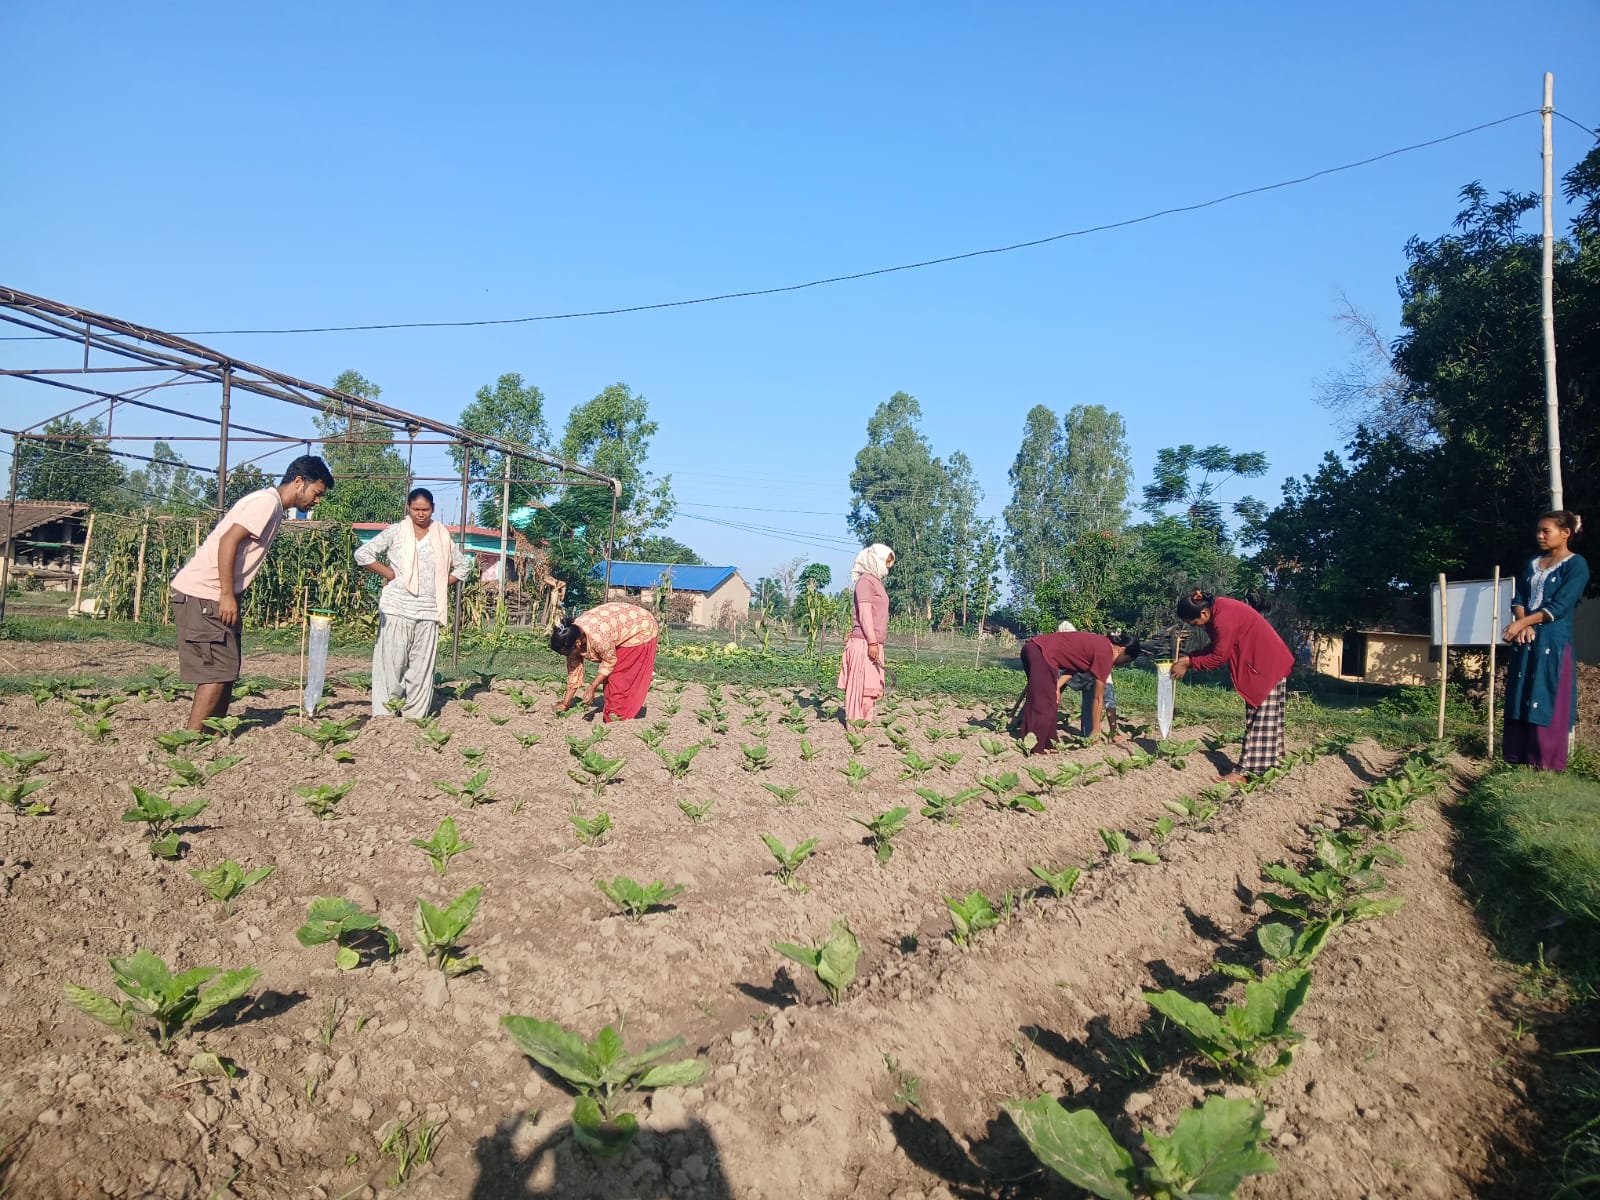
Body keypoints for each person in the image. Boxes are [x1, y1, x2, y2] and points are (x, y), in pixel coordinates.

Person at [170, 455, 334, 731]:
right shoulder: (266, 503)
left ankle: (212, 733)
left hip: (213, 594)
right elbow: (228, 541)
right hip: (205, 594)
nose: (316, 501)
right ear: (298, 482)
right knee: (216, 673)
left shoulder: (273, 506)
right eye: (316, 493)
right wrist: (226, 595)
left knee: (227, 670)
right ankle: (192, 740)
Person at [353, 488, 470, 718]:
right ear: (408, 507)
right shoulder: (396, 532)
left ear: (433, 509)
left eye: (425, 510)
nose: (420, 514)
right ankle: (385, 715)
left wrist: (441, 583)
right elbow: (363, 554)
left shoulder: (442, 535)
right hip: (396, 608)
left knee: (421, 668)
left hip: (428, 611)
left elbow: (463, 566)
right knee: (391, 665)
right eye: (416, 509)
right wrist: (390, 574)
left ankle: (414, 717)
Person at [1170, 589, 1295, 782]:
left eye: (1193, 623)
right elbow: (1218, 647)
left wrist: (1189, 662)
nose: (1195, 627)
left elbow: (1219, 656)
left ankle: (1243, 773)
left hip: (1265, 666)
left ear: (1203, 613)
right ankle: (1272, 768)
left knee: (1260, 721)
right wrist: (1190, 657)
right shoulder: (1218, 609)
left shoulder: (1223, 619)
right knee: (1267, 720)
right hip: (1267, 663)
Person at [1502, 510, 1588, 771]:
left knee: (1545, 694)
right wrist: (1522, 623)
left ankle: (1545, 763)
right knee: (1521, 693)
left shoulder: (1576, 565)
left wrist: (1523, 623)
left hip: (1553, 642)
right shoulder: (1532, 563)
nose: (1539, 535)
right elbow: (1519, 597)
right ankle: (1518, 759)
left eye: (1545, 531)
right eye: (1538, 530)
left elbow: (1559, 606)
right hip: (1526, 640)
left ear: (1565, 534)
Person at [1018, 629, 1144, 751]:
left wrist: (1056, 686)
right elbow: (1098, 698)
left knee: (1049, 701)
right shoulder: (1106, 653)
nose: (1122, 664)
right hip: (1040, 652)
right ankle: (1036, 747)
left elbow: (1074, 667)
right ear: (1121, 650)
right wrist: (1095, 729)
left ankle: (1047, 744)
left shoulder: (1102, 644)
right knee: (1043, 704)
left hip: (1034, 649)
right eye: (1126, 660)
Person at [551, 601, 660, 722]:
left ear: (577, 644)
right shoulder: (572, 634)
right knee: (610, 681)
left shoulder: (598, 638)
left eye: (567, 653)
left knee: (619, 679)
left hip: (640, 628)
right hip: (619, 627)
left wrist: (593, 686)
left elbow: (609, 662)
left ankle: (619, 718)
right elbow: (574, 673)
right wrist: (565, 704)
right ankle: (613, 715)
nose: (567, 656)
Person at [838, 544, 894, 724]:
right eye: (886, 562)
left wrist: (876, 643)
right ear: (875, 560)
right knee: (860, 689)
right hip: (865, 643)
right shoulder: (865, 582)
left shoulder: (876, 582)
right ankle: (855, 727)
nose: (888, 566)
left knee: (870, 690)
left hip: (873, 643)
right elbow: (864, 613)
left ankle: (865, 727)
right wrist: (871, 642)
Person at [1057, 619, 1121, 739]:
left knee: (1094, 699)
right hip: (1069, 673)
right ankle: (1029, 721)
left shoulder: (1100, 654)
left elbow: (1108, 699)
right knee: (1047, 694)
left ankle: (1089, 736)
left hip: (1091, 679)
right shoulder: (1065, 653)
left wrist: (1114, 732)